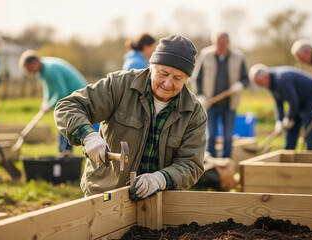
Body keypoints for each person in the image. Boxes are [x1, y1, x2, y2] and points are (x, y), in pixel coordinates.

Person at [54, 35, 207, 201]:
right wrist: (88, 136)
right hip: (106, 194)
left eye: (178, 78)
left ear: (186, 79)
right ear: (151, 66)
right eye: (163, 73)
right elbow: (68, 106)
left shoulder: (194, 113)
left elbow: (191, 165)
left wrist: (160, 179)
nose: (168, 83)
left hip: (159, 202)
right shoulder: (120, 86)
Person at [19, 50, 87, 156]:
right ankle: (63, 151)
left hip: (78, 93)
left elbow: (62, 92)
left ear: (35, 63)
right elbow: (49, 89)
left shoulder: (51, 70)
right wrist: (45, 102)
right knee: (62, 121)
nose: (30, 72)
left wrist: (50, 105)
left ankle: (66, 152)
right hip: (67, 96)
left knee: (67, 121)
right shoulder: (41, 72)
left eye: (30, 69)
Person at [192, 32, 249, 158]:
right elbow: (197, 78)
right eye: (217, 43)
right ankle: (212, 164)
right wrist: (200, 95)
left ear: (228, 43)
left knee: (228, 138)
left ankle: (225, 163)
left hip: (230, 105)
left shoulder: (238, 57)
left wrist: (240, 85)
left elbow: (246, 79)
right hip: (210, 104)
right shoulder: (206, 55)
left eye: (222, 43)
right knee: (210, 136)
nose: (219, 46)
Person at [249, 64, 312, 150]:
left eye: (259, 83)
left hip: (311, 96)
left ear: (265, 77)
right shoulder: (270, 83)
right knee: (290, 128)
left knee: (308, 125)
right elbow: (278, 102)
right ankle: (288, 153)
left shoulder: (281, 80)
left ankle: (310, 154)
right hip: (298, 99)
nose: (259, 86)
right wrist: (279, 120)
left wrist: (289, 118)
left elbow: (294, 102)